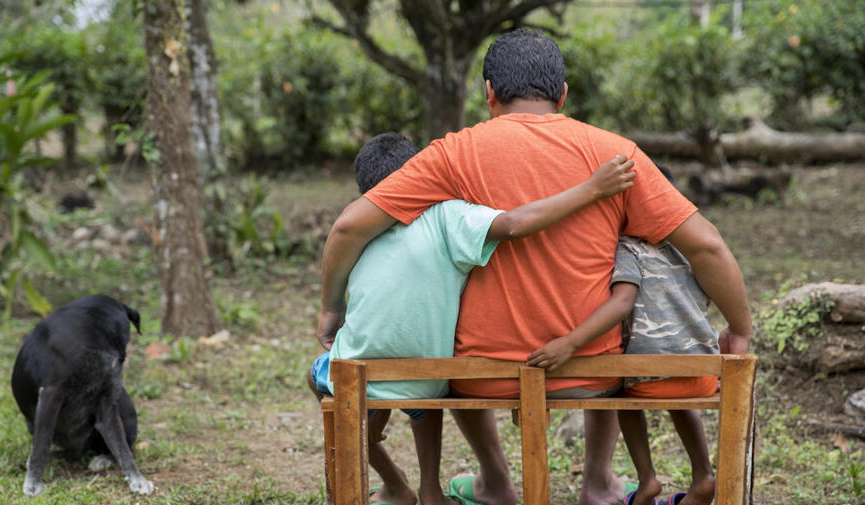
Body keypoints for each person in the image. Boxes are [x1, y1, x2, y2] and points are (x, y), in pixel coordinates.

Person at [317, 29, 752, 505]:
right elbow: (707, 247)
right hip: (589, 370)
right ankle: (599, 483)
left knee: (463, 356)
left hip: (481, 373)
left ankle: (495, 482)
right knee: (609, 332)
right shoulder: (614, 154)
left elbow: (347, 229)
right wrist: (739, 327)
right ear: (562, 95)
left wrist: (331, 311)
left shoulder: (451, 153)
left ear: (488, 92)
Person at [309, 132, 636, 505]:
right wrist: (592, 188)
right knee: (429, 385)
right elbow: (515, 223)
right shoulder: (447, 215)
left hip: (362, 375)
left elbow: (348, 254)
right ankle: (430, 489)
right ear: (420, 174)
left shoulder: (359, 230)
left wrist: (329, 312)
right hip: (431, 380)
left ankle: (395, 483)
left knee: (319, 377)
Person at [527, 231, 751, 505]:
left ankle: (648, 479)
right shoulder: (687, 248)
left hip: (649, 377)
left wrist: (571, 342)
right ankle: (703, 475)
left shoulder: (627, 250)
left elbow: (622, 302)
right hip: (701, 372)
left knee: (619, 395)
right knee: (681, 399)